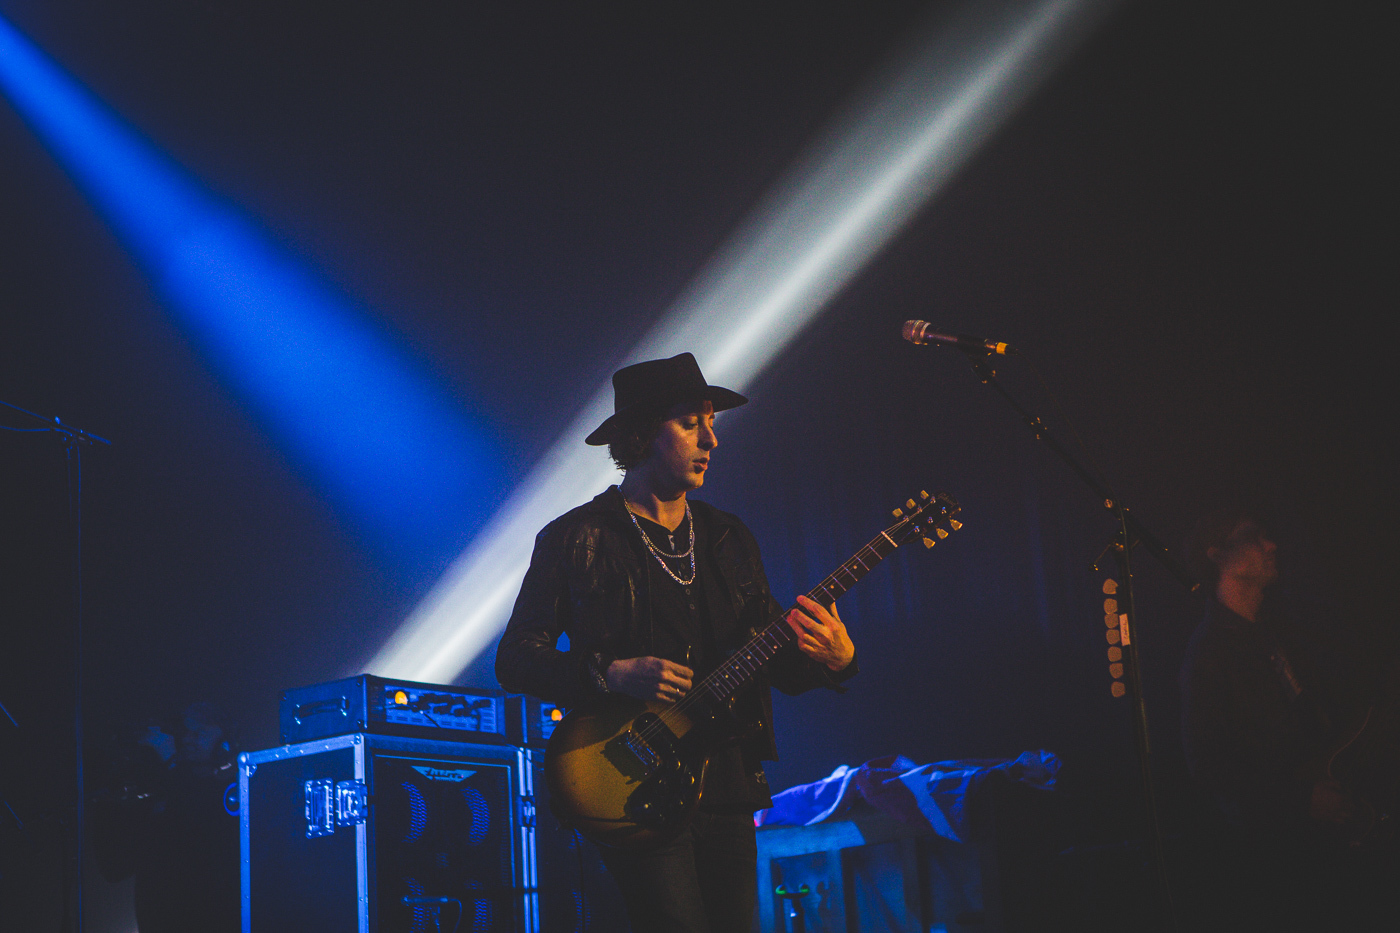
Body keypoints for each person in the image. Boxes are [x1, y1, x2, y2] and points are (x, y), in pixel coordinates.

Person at [495, 353, 858, 933]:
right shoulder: (576, 537)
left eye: (710, 422)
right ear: (641, 434)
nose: (711, 439)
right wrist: (610, 673)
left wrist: (837, 659)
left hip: (729, 783)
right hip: (635, 783)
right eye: (691, 423)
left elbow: (773, 663)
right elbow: (516, 660)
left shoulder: (727, 538)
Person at [1178, 507, 1387, 927]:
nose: (1270, 544)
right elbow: (1208, 766)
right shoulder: (1209, 654)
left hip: (1322, 846)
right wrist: (1299, 799)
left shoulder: (1278, 630)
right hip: (1277, 862)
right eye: (1253, 536)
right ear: (1217, 553)